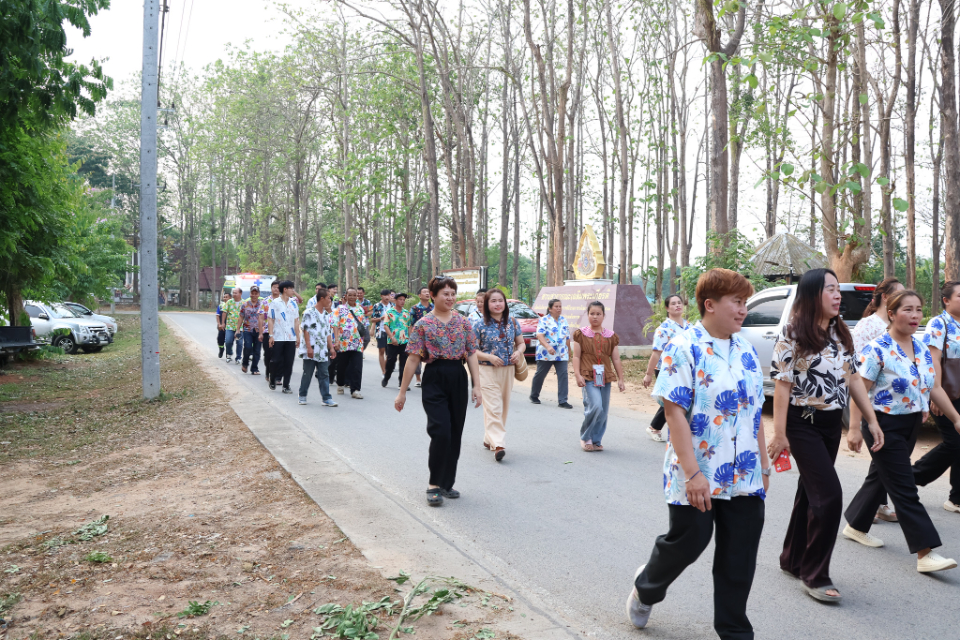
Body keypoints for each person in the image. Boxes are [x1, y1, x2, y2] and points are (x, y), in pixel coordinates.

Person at [626, 268, 769, 638]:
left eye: (745, 302)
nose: (743, 309)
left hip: (744, 472)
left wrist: (764, 464)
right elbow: (674, 411)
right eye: (737, 302)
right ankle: (647, 587)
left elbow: (754, 411)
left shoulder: (746, 349)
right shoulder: (683, 346)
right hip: (697, 468)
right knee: (689, 542)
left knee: (739, 556)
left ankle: (735, 632)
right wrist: (692, 474)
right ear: (710, 304)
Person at [766, 269, 883, 603]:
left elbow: (853, 378)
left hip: (831, 424)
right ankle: (815, 574)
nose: (837, 295)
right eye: (830, 289)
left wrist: (870, 420)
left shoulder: (840, 332)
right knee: (829, 496)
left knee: (810, 491)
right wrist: (779, 434)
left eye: (837, 289)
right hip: (802, 423)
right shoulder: (792, 333)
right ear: (812, 294)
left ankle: (792, 559)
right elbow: (782, 386)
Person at [843, 290, 960, 573]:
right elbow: (859, 391)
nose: (915, 315)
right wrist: (855, 428)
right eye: (907, 309)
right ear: (892, 314)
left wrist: (956, 418)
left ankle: (856, 524)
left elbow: (934, 387)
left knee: (880, 477)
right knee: (904, 487)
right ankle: (925, 551)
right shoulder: (877, 349)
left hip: (910, 424)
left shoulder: (920, 347)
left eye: (918, 309)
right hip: (882, 425)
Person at [396, 275, 482, 507]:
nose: (450, 298)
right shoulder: (423, 324)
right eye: (445, 294)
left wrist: (476, 385)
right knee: (440, 431)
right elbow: (413, 359)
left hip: (458, 376)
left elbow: (471, 353)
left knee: (454, 432)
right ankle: (434, 484)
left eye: (453, 294)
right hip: (434, 377)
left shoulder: (463, 322)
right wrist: (402, 392)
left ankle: (447, 483)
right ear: (433, 295)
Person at [850, 276, 904, 524]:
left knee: (882, 458)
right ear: (885, 297)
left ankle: (878, 504)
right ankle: (867, 508)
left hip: (896, 402)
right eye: (898, 293)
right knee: (883, 457)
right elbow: (858, 369)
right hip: (873, 402)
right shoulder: (867, 326)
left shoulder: (897, 324)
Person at [916, 281, 960, 513]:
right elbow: (933, 361)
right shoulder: (939, 323)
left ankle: (956, 498)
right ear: (946, 300)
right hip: (946, 394)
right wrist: (936, 394)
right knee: (954, 444)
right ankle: (907, 478)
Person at [474, 289, 525, 461]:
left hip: (508, 369)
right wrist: (489, 357)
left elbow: (521, 343)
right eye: (493, 301)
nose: (497, 304)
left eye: (500, 300)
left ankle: (489, 438)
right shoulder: (479, 324)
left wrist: (518, 352)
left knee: (502, 407)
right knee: (494, 407)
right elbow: (472, 350)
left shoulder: (512, 322)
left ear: (505, 303)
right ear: (487, 304)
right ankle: (499, 444)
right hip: (486, 370)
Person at [572, 301, 626, 451]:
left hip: (604, 376)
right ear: (587, 315)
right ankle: (586, 437)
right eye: (592, 314)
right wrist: (577, 375)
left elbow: (616, 359)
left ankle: (596, 440)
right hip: (587, 375)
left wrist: (621, 379)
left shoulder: (611, 336)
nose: (595, 317)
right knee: (595, 406)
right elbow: (576, 356)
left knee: (603, 410)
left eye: (598, 314)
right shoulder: (580, 334)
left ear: (603, 316)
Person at [643, 294, 690, 442]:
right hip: (667, 369)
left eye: (679, 303)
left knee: (678, 399)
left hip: (686, 369)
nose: (677, 305)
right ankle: (656, 428)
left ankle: (656, 427)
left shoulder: (690, 326)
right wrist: (648, 374)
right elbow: (657, 353)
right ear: (667, 308)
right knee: (671, 399)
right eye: (673, 303)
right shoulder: (663, 329)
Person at [529, 299, 573, 409]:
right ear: (550, 309)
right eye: (556, 306)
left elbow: (567, 337)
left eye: (560, 306)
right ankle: (534, 395)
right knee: (541, 374)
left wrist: (569, 350)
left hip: (561, 353)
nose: (559, 308)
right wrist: (548, 347)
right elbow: (540, 335)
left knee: (563, 375)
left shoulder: (563, 320)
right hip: (545, 353)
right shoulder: (544, 320)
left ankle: (563, 400)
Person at [298, 288, 337, 407]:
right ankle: (302, 395)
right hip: (311, 349)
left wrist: (331, 348)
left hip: (322, 350)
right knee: (308, 373)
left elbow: (328, 333)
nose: (330, 300)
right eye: (328, 298)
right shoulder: (309, 312)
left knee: (324, 374)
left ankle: (326, 398)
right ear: (322, 298)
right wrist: (309, 348)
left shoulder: (326, 315)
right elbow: (306, 330)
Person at [267, 280, 301, 393]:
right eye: (291, 289)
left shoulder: (293, 303)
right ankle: (272, 378)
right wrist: (271, 335)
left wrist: (298, 336)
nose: (293, 291)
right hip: (278, 337)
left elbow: (296, 321)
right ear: (285, 289)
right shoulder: (275, 303)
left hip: (291, 338)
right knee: (275, 360)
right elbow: (270, 319)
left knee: (289, 362)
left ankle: (286, 385)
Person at [334, 287, 366, 399]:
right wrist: (336, 341)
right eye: (350, 295)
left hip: (357, 343)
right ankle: (340, 384)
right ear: (345, 296)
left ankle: (355, 390)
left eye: (354, 295)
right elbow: (335, 325)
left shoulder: (360, 309)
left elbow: (363, 325)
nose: (352, 297)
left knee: (357, 367)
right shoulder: (340, 309)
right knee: (342, 366)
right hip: (344, 343)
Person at [383, 293, 410, 388]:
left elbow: (409, 326)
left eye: (403, 300)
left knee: (404, 363)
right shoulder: (389, 312)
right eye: (400, 299)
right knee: (391, 362)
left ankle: (401, 383)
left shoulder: (406, 313)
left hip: (404, 341)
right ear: (395, 300)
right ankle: (386, 377)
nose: (402, 301)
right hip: (393, 342)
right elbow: (386, 326)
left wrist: (410, 339)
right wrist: (392, 337)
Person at [408, 286, 434, 388]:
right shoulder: (414, 308)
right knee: (417, 356)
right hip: (418, 336)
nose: (427, 294)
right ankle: (418, 379)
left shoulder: (434, 307)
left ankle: (431, 378)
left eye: (428, 292)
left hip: (432, 336)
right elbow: (410, 323)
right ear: (419, 295)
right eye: (424, 292)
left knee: (432, 356)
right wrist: (411, 337)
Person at [240, 285, 264, 374]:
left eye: (256, 293)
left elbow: (265, 317)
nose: (254, 295)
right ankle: (245, 363)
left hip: (259, 330)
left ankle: (254, 368)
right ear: (250, 294)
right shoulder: (245, 305)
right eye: (252, 293)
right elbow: (241, 317)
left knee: (257, 350)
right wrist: (238, 329)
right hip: (247, 329)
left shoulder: (262, 305)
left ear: (258, 294)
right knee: (248, 347)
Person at [261, 281, 281, 383]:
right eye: (274, 287)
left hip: (281, 332)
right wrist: (260, 332)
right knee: (268, 354)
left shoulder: (285, 301)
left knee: (280, 354)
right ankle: (268, 371)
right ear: (271, 288)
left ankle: (278, 376)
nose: (276, 289)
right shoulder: (265, 301)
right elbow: (261, 317)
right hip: (267, 331)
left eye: (278, 287)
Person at [371, 289, 394, 375]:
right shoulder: (377, 306)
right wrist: (381, 318)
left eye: (388, 295)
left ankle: (386, 367)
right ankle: (384, 371)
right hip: (380, 331)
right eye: (385, 295)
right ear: (381, 296)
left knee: (390, 353)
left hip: (391, 331)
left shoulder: (393, 306)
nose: (387, 297)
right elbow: (373, 319)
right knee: (381, 351)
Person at [222, 287, 244, 364]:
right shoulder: (229, 302)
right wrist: (223, 323)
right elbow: (224, 312)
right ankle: (229, 353)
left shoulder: (244, 303)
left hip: (240, 327)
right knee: (228, 341)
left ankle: (238, 358)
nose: (234, 294)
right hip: (230, 326)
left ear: (240, 294)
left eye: (235, 293)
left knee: (239, 343)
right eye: (233, 293)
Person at [216, 293, 229, 358]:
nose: (225, 298)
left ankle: (228, 353)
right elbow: (217, 315)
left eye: (226, 297)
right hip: (222, 326)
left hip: (230, 326)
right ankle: (221, 349)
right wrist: (219, 324)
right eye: (224, 297)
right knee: (220, 339)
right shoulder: (221, 306)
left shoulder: (232, 306)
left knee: (229, 340)